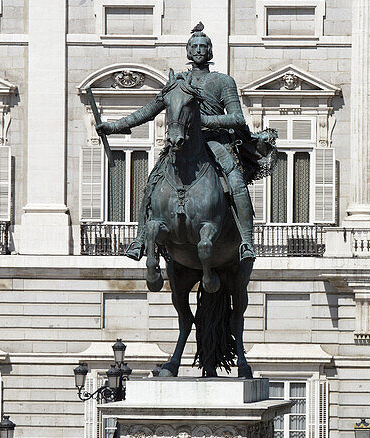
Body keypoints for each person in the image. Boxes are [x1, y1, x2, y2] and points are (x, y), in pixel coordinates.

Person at [97, 23, 269, 263]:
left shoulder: (222, 81)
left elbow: (238, 118)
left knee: (237, 183)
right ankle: (139, 240)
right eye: (194, 46)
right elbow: (148, 111)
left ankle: (247, 243)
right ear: (188, 51)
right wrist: (113, 127)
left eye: (203, 46)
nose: (198, 50)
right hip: (181, 143)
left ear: (209, 52)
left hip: (215, 142)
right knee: (151, 184)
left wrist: (204, 120)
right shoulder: (178, 83)